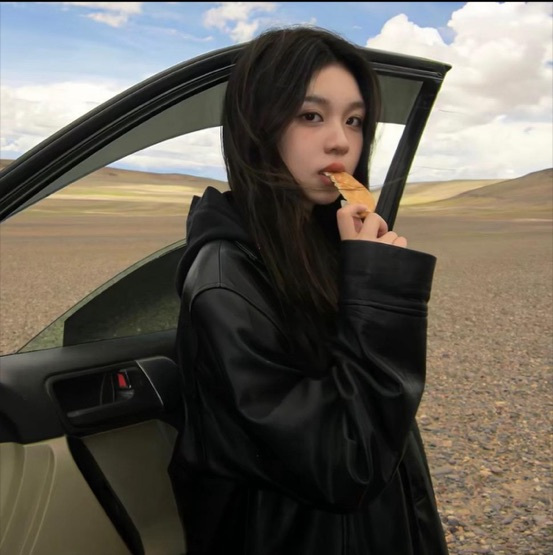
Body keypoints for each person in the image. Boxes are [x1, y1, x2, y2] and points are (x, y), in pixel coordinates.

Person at [169, 25, 449, 555]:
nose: (341, 140)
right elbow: (347, 464)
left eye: (354, 120)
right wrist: (380, 291)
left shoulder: (322, 243)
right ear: (258, 126)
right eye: (311, 116)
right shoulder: (227, 284)